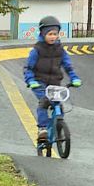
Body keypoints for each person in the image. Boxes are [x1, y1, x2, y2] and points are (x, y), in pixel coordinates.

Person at [23, 16, 82, 145]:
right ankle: (42, 129)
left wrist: (74, 78)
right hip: (40, 83)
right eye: (50, 34)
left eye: (55, 34)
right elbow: (28, 68)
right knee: (44, 102)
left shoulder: (60, 50)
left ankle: (57, 127)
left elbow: (67, 66)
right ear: (43, 34)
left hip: (55, 83)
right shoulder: (37, 50)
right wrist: (31, 81)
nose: (53, 37)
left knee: (58, 106)